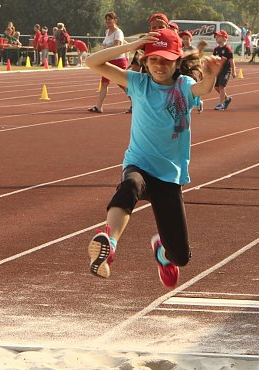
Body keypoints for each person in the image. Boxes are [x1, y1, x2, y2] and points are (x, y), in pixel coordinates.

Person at [85, 28, 226, 288]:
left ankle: (163, 252)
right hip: (139, 163)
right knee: (130, 186)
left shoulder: (184, 86)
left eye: (165, 60)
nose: (159, 65)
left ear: (177, 61)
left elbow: (203, 88)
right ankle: (110, 243)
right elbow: (91, 61)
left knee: (181, 257)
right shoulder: (138, 83)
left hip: (170, 175)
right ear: (145, 61)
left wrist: (210, 76)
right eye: (153, 59)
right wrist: (131, 45)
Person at [87, 12, 127, 113]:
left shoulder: (118, 32)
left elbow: (117, 46)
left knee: (123, 84)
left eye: (110, 19)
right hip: (108, 61)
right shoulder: (107, 31)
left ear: (115, 20)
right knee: (104, 83)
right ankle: (99, 106)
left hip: (118, 61)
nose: (108, 22)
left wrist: (106, 48)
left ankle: (135, 103)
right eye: (107, 20)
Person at [212, 30, 236, 110]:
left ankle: (221, 104)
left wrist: (233, 71)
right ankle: (227, 99)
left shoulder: (227, 49)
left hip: (225, 71)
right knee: (216, 87)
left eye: (218, 36)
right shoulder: (216, 49)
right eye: (216, 36)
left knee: (221, 86)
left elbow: (231, 61)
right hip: (218, 71)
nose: (216, 38)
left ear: (224, 38)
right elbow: (213, 60)